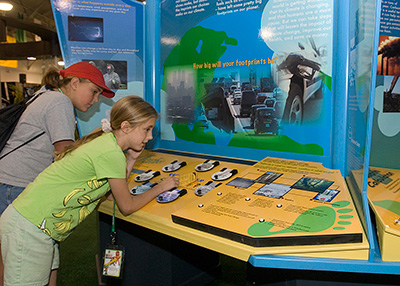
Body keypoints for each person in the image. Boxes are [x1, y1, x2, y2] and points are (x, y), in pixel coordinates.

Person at [0, 95, 180, 286]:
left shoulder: (108, 144)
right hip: (31, 226)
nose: (150, 136)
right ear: (126, 127)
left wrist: (132, 158)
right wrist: (161, 187)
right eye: (147, 129)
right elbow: (127, 206)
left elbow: (110, 196)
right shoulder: (110, 152)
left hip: (36, 225)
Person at [0, 62, 115, 216]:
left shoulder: (45, 95)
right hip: (17, 185)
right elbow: (66, 155)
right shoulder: (60, 101)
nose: (95, 100)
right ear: (74, 83)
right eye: (94, 91)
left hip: (10, 182)